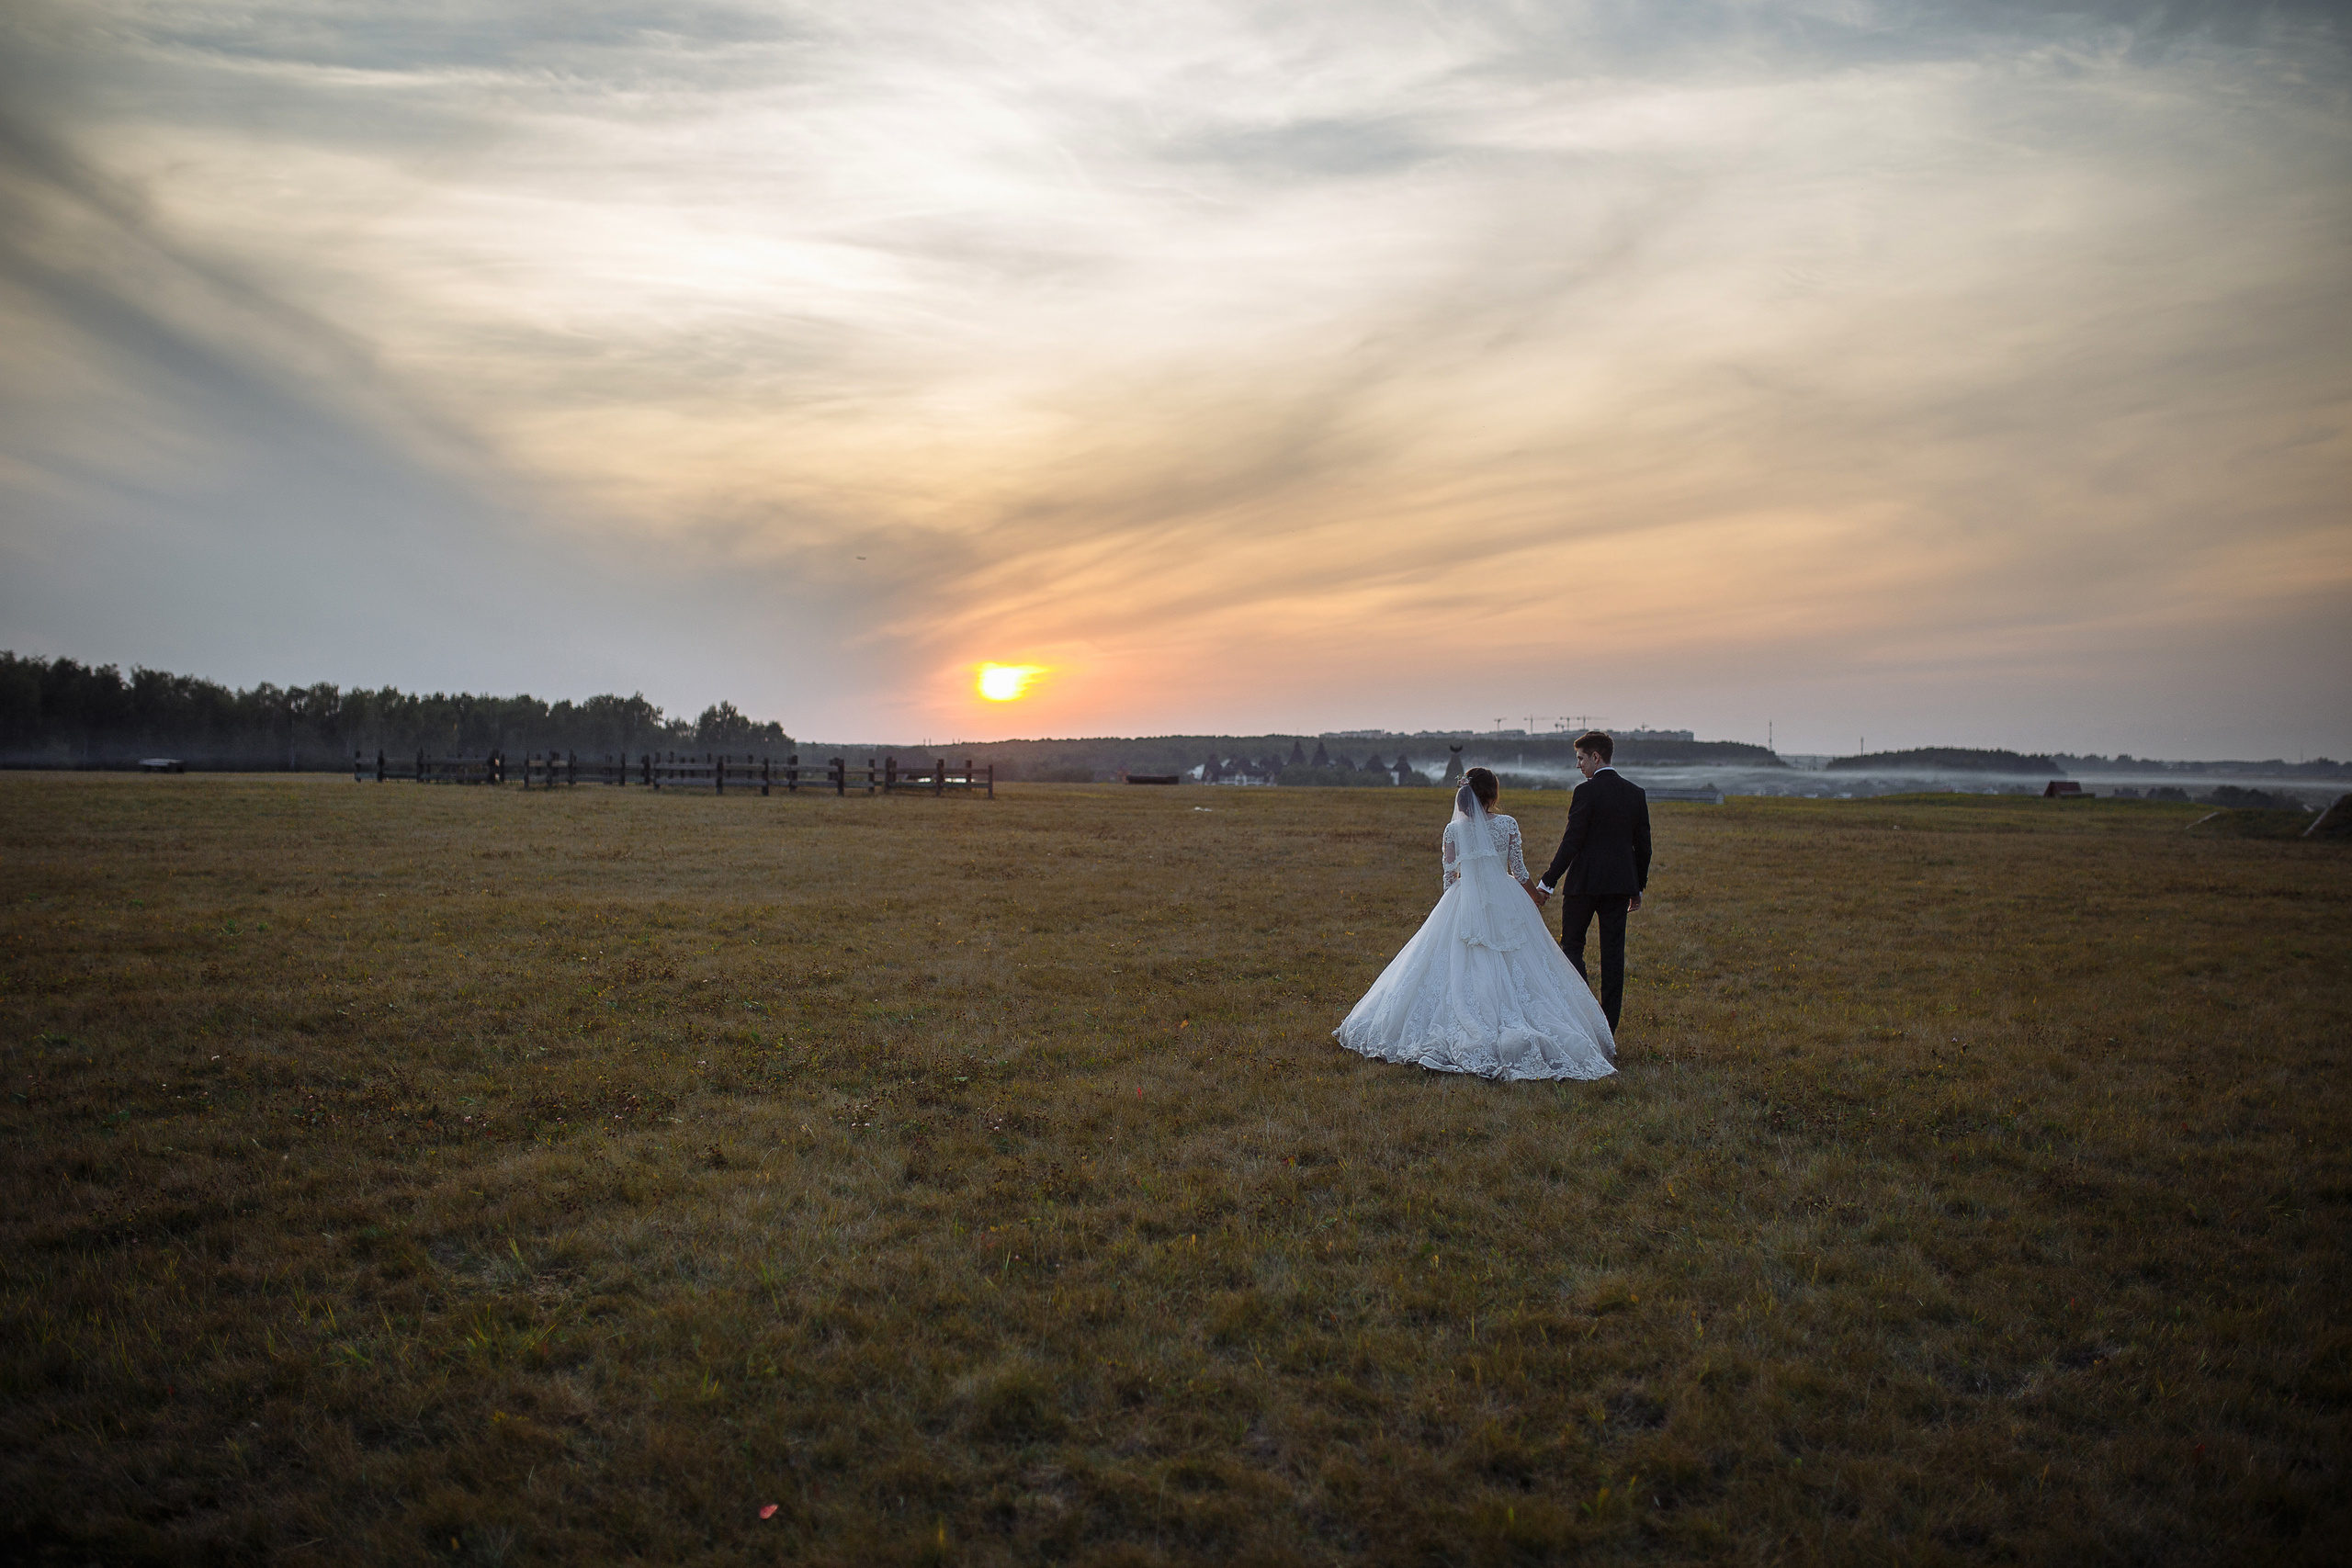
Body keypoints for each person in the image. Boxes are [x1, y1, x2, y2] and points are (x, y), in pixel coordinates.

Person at [1334, 768, 1616, 1080]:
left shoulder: (1453, 830)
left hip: (1464, 899)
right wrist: (1536, 895)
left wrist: (1451, 908)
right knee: (1525, 964)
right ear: (1492, 794)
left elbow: (1449, 875)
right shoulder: (1507, 825)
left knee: (1454, 964)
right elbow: (1519, 871)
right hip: (1505, 898)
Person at [1532, 730, 1651, 1034]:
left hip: (1583, 885)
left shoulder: (1585, 792)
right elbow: (1644, 846)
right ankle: (1607, 1028)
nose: (1579, 766)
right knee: (1614, 957)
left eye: (1581, 759)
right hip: (1620, 887)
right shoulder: (1635, 793)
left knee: (1572, 946)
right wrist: (1637, 887)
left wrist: (1547, 882)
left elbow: (1572, 841)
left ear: (1596, 757)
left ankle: (1586, 1011)